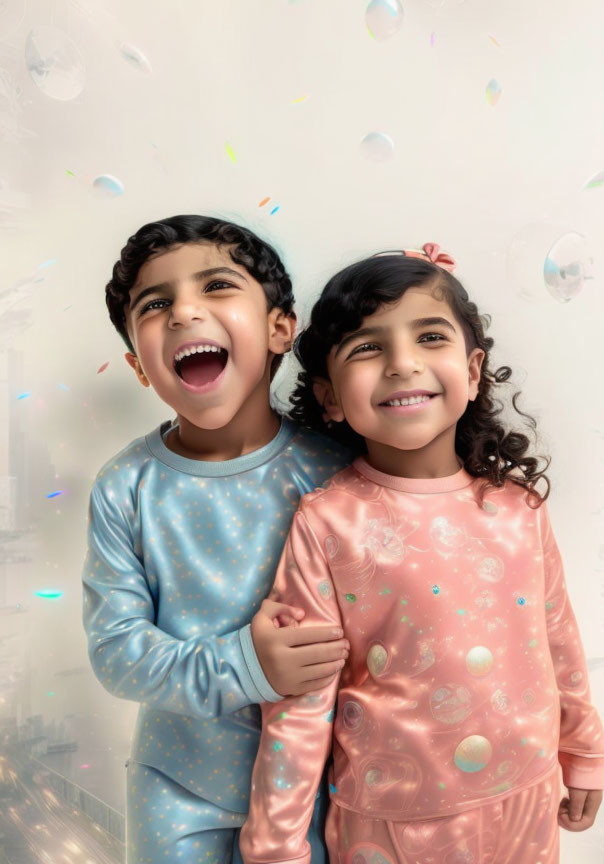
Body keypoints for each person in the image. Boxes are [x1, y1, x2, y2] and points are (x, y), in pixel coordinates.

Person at [239, 243, 604, 864]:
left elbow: (558, 640)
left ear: (472, 371)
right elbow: (300, 701)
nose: (402, 363)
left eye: (430, 337)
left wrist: (584, 750)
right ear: (330, 396)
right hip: (394, 823)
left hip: (528, 796)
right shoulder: (327, 521)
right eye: (367, 347)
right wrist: (275, 846)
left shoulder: (519, 510)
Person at [81, 215, 352, 864]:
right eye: (156, 304)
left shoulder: (339, 471)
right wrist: (248, 665)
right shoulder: (126, 485)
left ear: (279, 327)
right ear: (139, 366)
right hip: (174, 792)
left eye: (216, 286)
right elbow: (116, 651)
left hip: (321, 788)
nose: (183, 313)